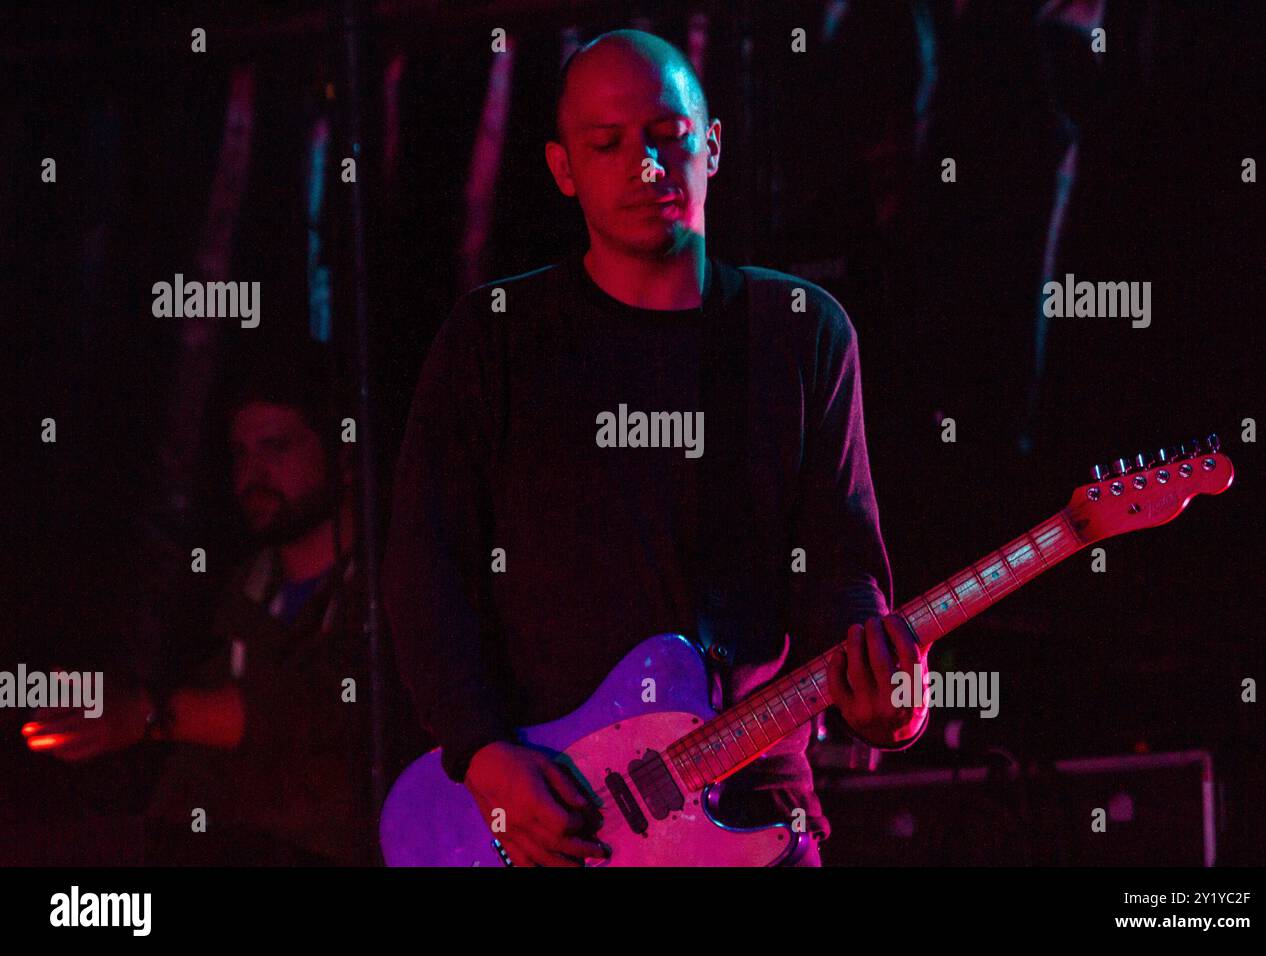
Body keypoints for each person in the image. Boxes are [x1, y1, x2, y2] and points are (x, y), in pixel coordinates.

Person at [382, 29, 929, 868]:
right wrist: (484, 754)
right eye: (607, 144)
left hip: (755, 799)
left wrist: (888, 700)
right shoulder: (493, 339)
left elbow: (839, 571)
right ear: (564, 170)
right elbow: (425, 570)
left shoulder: (799, 331)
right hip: (560, 815)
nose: (646, 167)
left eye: (668, 138)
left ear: (711, 148)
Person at [24, 345, 405, 865]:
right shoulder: (241, 596)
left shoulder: (393, 583)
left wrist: (147, 714)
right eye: (241, 454)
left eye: (276, 448)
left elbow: (316, 713)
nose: (253, 474)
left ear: (344, 460)